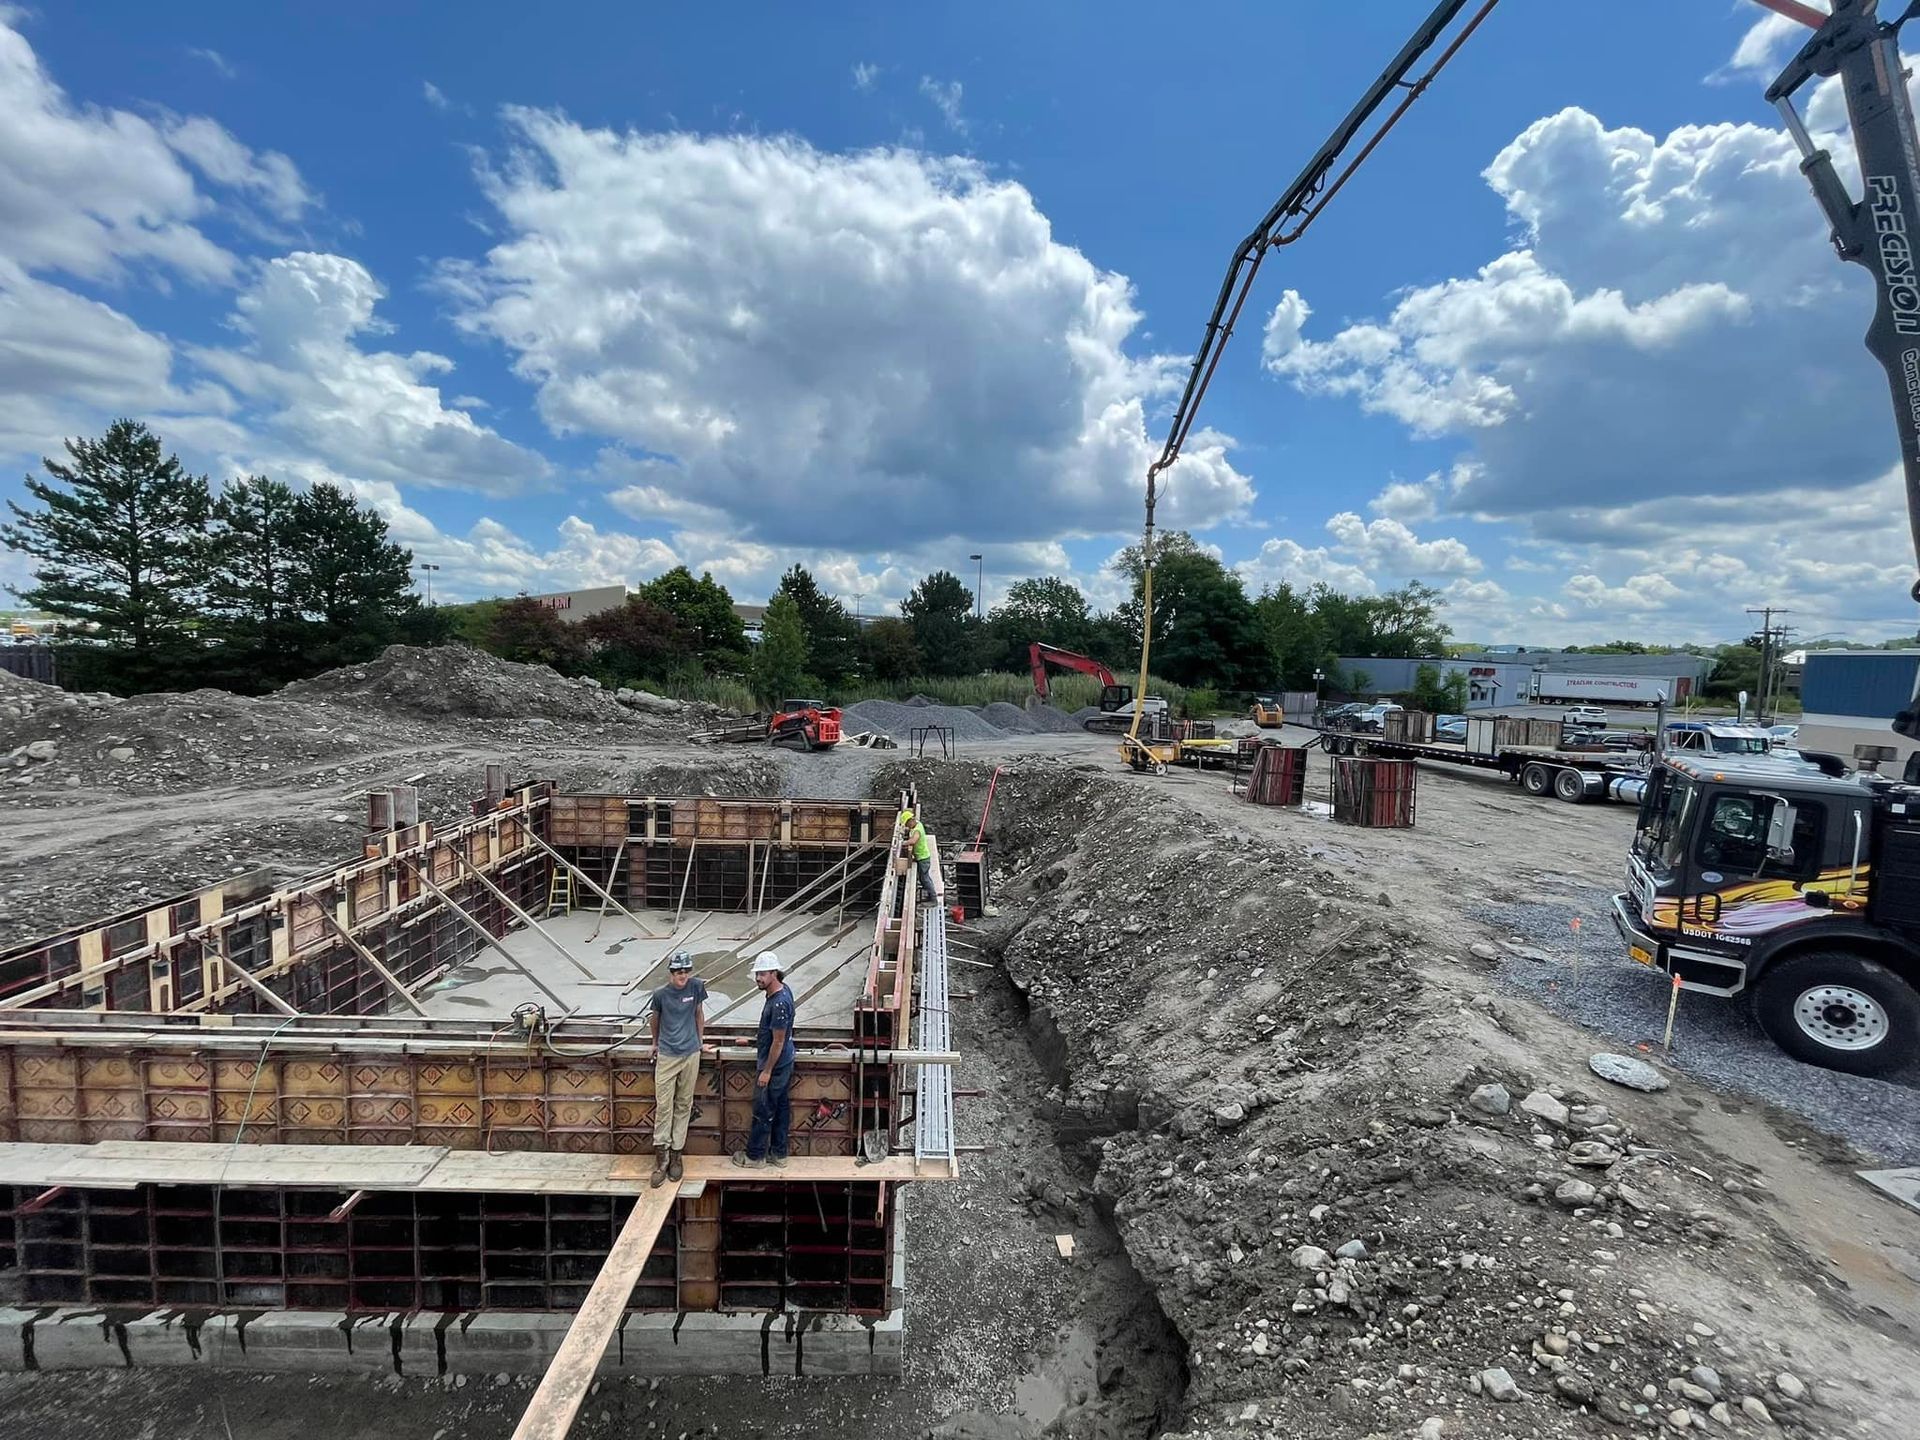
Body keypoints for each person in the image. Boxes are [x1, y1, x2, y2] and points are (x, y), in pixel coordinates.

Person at [646, 948, 711, 1188]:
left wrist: (700, 1042)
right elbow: (655, 1020)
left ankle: (676, 1155)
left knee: (684, 1104)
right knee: (664, 1106)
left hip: (691, 1054)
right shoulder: (660, 995)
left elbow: (698, 1014)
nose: (682, 975)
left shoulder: (696, 987)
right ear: (671, 973)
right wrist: (654, 1044)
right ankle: (661, 1161)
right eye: (678, 972)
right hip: (667, 1054)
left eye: (685, 971)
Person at [733, 951, 795, 1170]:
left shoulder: (778, 1004)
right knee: (780, 1108)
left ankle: (755, 1156)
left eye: (761, 974)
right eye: (756, 974)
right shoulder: (782, 992)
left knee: (763, 1109)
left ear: (774, 973)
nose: (757, 978)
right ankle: (779, 1154)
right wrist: (754, 1041)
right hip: (784, 1060)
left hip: (776, 1065)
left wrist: (767, 1071)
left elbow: (778, 1041)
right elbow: (775, 1035)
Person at [900, 807, 938, 903]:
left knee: (925, 879)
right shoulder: (917, 824)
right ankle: (931, 896)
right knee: (923, 878)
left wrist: (903, 843)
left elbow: (913, 840)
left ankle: (933, 898)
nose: (907, 826)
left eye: (907, 824)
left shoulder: (917, 830)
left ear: (911, 821)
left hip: (923, 857)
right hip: (921, 856)